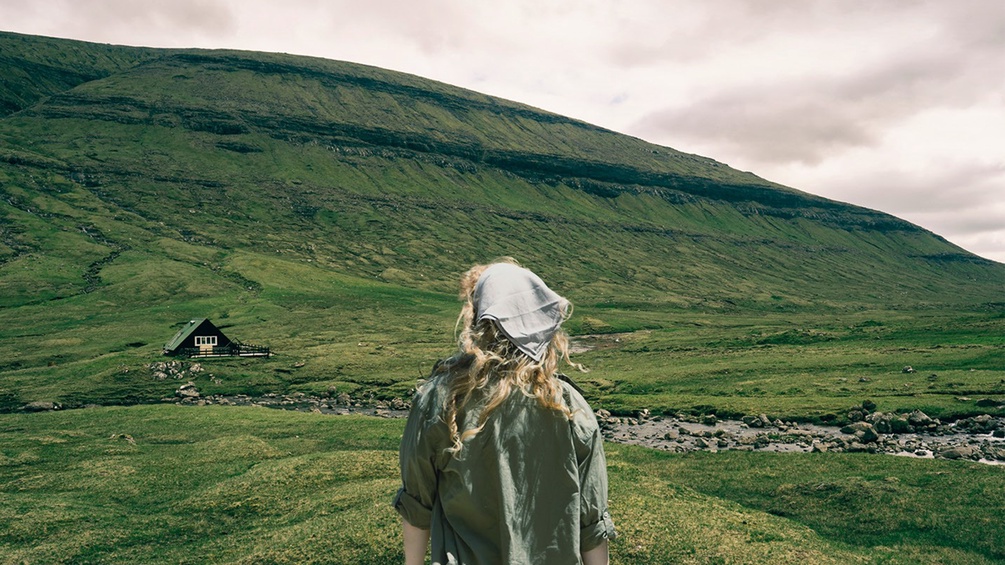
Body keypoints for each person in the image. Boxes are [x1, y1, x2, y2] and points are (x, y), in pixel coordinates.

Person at [393, 259, 616, 565]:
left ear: (477, 320)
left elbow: (417, 508)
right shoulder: (570, 408)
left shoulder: (440, 400)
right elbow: (591, 526)